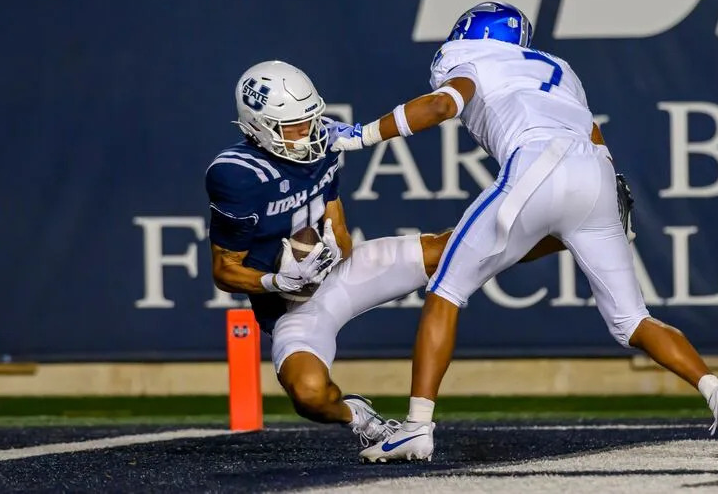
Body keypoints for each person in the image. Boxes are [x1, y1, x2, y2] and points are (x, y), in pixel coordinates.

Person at [331, 2, 718, 462]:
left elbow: (441, 104)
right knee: (633, 320)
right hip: (594, 173)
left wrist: (357, 136)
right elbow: (595, 136)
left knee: (446, 291)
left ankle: (415, 428)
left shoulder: (473, 59)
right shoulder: (559, 67)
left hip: (536, 163)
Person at [206, 59, 570, 450]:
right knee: (310, 394)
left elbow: (340, 232)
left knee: (456, 248)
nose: (309, 132)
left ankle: (568, 234)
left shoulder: (322, 142)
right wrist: (278, 280)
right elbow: (225, 271)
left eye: (311, 119)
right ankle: (359, 416)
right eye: (294, 125)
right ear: (257, 126)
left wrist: (332, 248)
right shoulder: (237, 175)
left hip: (339, 272)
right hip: (292, 305)